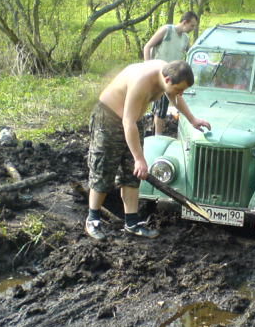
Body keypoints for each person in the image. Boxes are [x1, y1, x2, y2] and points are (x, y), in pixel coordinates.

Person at [85, 60, 211, 241]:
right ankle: (93, 220)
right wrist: (139, 158)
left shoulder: (168, 74)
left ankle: (132, 222)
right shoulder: (141, 81)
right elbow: (127, 122)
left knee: (133, 174)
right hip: (109, 119)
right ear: (167, 80)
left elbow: (174, 96)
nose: (180, 93)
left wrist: (192, 119)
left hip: (132, 121)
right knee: (104, 168)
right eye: (179, 89)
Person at [143, 12, 199, 135]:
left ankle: (159, 133)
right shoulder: (166, 30)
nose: (192, 29)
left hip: (176, 77)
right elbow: (147, 47)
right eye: (192, 26)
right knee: (160, 109)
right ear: (184, 22)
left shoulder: (185, 38)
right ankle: (158, 136)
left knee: (173, 102)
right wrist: (148, 67)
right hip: (161, 75)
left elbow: (190, 55)